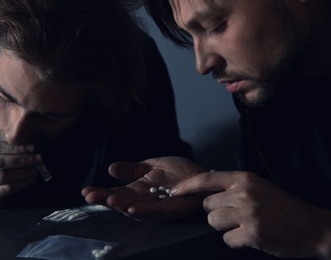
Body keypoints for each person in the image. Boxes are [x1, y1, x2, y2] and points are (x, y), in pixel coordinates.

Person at [82, 0, 331, 259]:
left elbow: (300, 225)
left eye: (215, 26)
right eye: (192, 36)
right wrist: (210, 192)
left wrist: (318, 232)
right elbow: (279, 214)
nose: (202, 64)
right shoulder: (268, 87)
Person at [0, 0, 192, 216]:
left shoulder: (135, 73)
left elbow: (167, 174)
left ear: (98, 93)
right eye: (5, 98)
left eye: (49, 117)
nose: (14, 134)